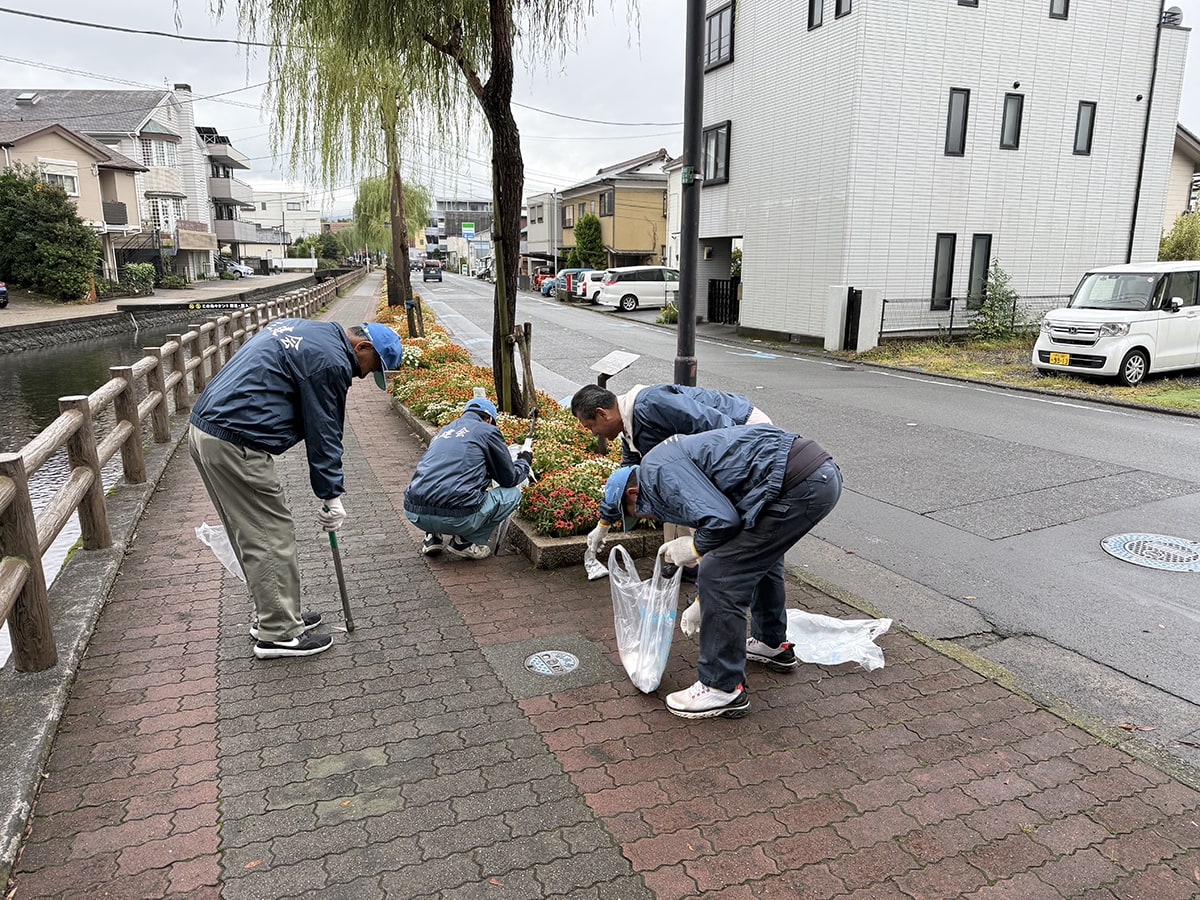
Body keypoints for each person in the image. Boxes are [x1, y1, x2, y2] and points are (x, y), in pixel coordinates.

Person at [188, 319, 404, 660]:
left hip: (206, 430)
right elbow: (325, 431)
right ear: (362, 348)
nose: (360, 378)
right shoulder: (332, 361)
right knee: (269, 534)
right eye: (368, 369)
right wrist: (331, 496)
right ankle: (278, 635)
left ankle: (275, 615)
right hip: (235, 442)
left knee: (250, 533)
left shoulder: (306, 329)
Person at [603, 424, 841, 719]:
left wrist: (693, 549)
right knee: (759, 558)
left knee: (718, 573)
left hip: (798, 483)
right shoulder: (661, 463)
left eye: (633, 512)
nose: (643, 518)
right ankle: (770, 642)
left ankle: (720, 687)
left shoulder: (659, 474)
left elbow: (723, 521)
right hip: (815, 475)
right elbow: (723, 521)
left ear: (634, 492)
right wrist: (701, 595)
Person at [571, 383, 773, 574]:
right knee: (682, 505)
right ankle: (695, 571)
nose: (594, 433)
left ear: (602, 413)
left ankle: (715, 581)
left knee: (722, 520)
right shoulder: (628, 429)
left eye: (590, 427)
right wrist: (604, 524)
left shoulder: (652, 403)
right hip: (714, 450)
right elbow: (628, 477)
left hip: (745, 432)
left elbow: (717, 425)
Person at [403, 397, 534, 560]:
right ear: (490, 419)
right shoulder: (487, 431)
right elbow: (509, 479)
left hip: (414, 513)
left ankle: (432, 537)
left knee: (436, 479)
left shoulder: (444, 431)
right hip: (458, 517)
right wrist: (524, 460)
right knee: (512, 494)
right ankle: (465, 542)